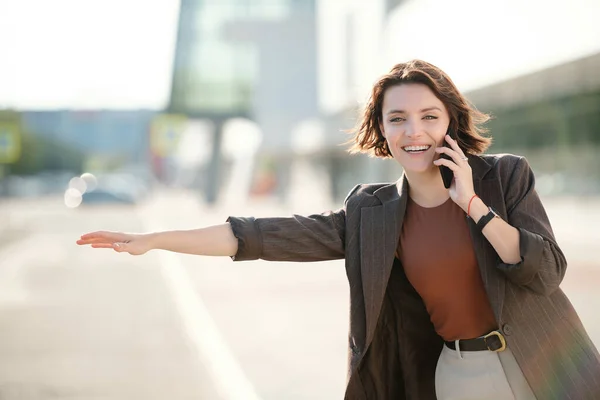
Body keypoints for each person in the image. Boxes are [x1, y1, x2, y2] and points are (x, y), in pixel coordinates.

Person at [77, 60, 600, 400]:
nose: (413, 131)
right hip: (459, 376)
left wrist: (474, 207)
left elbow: (545, 271)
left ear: (450, 122)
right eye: (397, 119)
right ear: (382, 130)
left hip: (546, 361)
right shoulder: (371, 213)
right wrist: (156, 240)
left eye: (428, 116)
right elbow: (261, 235)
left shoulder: (505, 177)